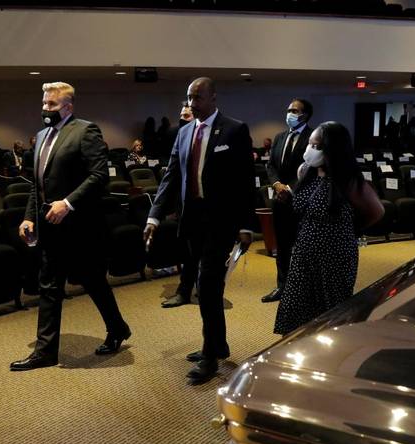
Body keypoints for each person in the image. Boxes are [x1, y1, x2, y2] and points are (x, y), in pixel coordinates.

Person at [11, 82, 130, 371]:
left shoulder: (85, 131)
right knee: (49, 286)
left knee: (94, 282)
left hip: (81, 226)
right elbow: (36, 185)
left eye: (51, 105)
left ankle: (117, 328)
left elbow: (99, 175)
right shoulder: (40, 137)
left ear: (68, 106)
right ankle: (45, 351)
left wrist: (68, 203)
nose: (45, 109)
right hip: (50, 226)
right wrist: (29, 216)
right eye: (43, 104)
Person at [143, 77, 254, 385]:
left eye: (198, 97)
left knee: (207, 285)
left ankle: (209, 355)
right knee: (208, 286)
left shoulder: (234, 129)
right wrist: (154, 216)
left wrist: (246, 224)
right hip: (191, 221)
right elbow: (171, 177)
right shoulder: (183, 132)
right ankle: (218, 343)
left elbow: (245, 180)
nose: (192, 103)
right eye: (189, 97)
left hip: (220, 221)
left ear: (213, 98)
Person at [273, 122, 374, 335]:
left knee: (331, 312)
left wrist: (346, 230)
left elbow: (376, 212)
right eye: (310, 144)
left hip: (335, 254)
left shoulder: (349, 180)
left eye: (317, 146)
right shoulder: (305, 171)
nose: (310, 150)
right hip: (303, 251)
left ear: (334, 149)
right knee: (295, 304)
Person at [262, 98, 313, 304]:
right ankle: (282, 286)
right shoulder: (280, 137)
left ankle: (303, 289)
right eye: (289, 109)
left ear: (305, 115)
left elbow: (310, 168)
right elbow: (271, 166)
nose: (289, 113)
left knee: (303, 246)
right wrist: (277, 185)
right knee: (282, 246)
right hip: (280, 200)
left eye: (294, 110)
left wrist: (290, 188)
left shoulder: (313, 138)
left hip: (301, 200)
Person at [162, 103, 200, 309]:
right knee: (188, 252)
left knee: (203, 252)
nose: (183, 118)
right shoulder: (177, 134)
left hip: (205, 203)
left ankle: (203, 288)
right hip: (182, 203)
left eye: (187, 115)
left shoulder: (206, 136)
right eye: (181, 115)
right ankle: (184, 290)